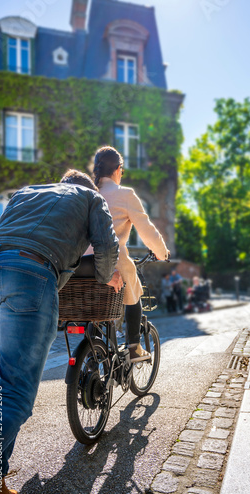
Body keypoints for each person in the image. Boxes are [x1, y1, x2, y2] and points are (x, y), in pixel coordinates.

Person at [0, 169, 122, 494]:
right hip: (30, 273)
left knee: (8, 383)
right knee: (17, 391)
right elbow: (107, 245)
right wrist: (107, 277)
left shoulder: (27, 190)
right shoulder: (92, 198)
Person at [92, 146, 169, 362]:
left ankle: (94, 347)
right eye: (121, 171)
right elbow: (147, 230)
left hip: (83, 262)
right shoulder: (124, 194)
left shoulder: (89, 193)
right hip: (114, 259)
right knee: (133, 291)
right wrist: (162, 252)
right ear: (118, 170)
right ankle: (134, 347)